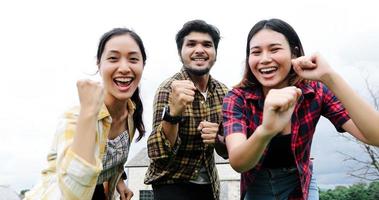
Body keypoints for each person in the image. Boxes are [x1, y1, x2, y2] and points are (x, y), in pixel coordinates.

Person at [222, 18, 379, 200]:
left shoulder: (315, 91)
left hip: (300, 180)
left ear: (294, 53)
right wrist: (266, 130)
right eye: (256, 52)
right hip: (257, 184)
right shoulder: (237, 98)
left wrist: (330, 77)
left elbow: (375, 136)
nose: (264, 59)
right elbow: (238, 163)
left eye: (274, 49)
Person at [24, 28, 147, 200]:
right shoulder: (74, 118)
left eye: (133, 59)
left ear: (143, 65)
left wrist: (120, 183)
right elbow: (73, 193)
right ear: (99, 64)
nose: (125, 68)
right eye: (113, 58)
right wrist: (88, 114)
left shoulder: (131, 113)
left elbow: (113, 159)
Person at [144, 19, 228, 200]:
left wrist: (218, 138)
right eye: (191, 44)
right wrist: (173, 114)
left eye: (207, 44)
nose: (199, 50)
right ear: (180, 53)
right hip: (171, 183)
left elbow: (226, 151)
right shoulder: (168, 88)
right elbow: (158, 153)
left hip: (209, 186)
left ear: (215, 53)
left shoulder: (224, 92)